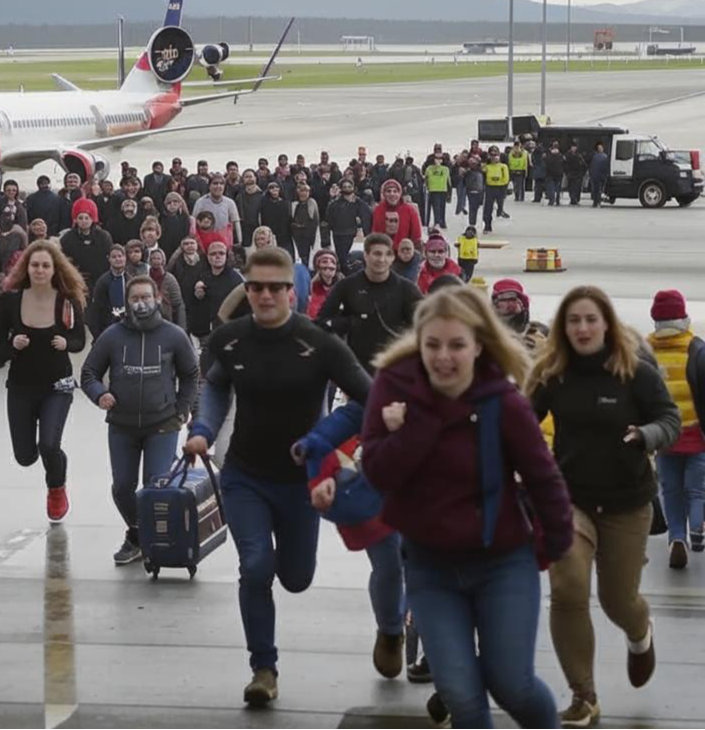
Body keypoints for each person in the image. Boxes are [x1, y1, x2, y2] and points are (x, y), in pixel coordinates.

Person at [362, 286, 573, 730]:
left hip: (503, 561)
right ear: (418, 344)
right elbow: (378, 473)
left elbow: (544, 477)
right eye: (432, 345)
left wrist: (548, 549)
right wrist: (420, 422)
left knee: (512, 683)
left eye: (457, 345)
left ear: (478, 345)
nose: (444, 358)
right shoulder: (394, 388)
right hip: (431, 567)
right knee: (460, 693)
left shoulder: (503, 401)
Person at [185, 247, 373, 708]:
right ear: (246, 290)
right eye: (256, 287)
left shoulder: (319, 343)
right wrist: (203, 430)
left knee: (295, 578)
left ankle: (268, 650)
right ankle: (263, 669)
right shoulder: (231, 339)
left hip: (300, 484)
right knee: (255, 567)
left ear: (293, 291)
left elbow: (368, 398)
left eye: (276, 288)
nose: (265, 295)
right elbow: (216, 385)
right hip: (244, 476)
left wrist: (337, 442)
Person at [528, 285, 681, 728]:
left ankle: (640, 632)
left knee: (619, 601)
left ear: (607, 324)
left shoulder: (635, 370)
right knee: (568, 586)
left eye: (590, 319)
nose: (582, 327)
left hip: (627, 502)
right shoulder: (552, 372)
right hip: (570, 498)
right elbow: (518, 418)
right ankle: (584, 696)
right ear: (563, 327)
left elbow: (669, 418)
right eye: (573, 320)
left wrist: (646, 436)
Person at [81, 275, 199, 563]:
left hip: (162, 423)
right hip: (122, 425)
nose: (141, 303)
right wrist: (99, 395)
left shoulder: (173, 335)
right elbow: (88, 374)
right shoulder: (112, 336)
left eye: (146, 297)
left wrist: (183, 408)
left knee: (154, 486)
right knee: (122, 487)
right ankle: (137, 531)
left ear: (157, 298)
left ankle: (150, 542)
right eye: (135, 298)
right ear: (127, 302)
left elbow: (191, 374)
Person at [0, 241, 86, 523]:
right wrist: (12, 345)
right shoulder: (10, 301)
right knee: (25, 456)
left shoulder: (67, 300)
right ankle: (50, 462)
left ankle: (56, 488)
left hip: (57, 386)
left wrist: (65, 343)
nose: (40, 270)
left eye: (46, 265)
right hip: (21, 387)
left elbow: (80, 340)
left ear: (55, 268)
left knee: (48, 445)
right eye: (35, 265)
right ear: (26, 268)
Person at [645, 289, 704, 568]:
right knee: (696, 490)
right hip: (697, 436)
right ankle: (697, 527)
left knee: (670, 490)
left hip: (664, 436)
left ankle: (676, 538)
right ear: (683, 315)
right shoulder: (697, 349)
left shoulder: (646, 350)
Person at [317, 233, 422, 374]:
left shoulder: (406, 289)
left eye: (387, 255)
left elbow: (423, 326)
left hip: (396, 366)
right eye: (377, 254)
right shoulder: (347, 286)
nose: (381, 259)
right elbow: (321, 322)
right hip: (358, 367)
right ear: (365, 255)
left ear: (392, 258)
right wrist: (350, 323)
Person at [187, 241, 243, 345]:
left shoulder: (235, 279)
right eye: (213, 254)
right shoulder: (203, 276)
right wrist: (197, 295)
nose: (217, 256)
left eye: (221, 253)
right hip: (204, 333)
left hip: (229, 332)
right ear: (207, 257)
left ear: (227, 256)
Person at [59, 198, 113, 294]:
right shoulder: (67, 238)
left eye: (87, 218)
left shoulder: (104, 236)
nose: (84, 221)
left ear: (93, 219)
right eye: (80, 218)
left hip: (100, 279)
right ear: (75, 219)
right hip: (77, 280)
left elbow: (108, 256)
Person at [327, 178, 371, 272]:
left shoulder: (358, 202)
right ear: (341, 188)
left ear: (353, 188)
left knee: (348, 258)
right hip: (338, 233)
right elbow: (329, 218)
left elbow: (366, 215)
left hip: (351, 233)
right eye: (345, 187)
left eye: (349, 186)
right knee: (341, 258)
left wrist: (366, 232)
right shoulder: (335, 203)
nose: (347, 189)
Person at [89, 245, 130, 339]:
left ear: (125, 258)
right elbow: (96, 310)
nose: (118, 259)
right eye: (114, 257)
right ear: (109, 259)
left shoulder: (130, 280)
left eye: (120, 256)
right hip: (108, 329)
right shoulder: (103, 282)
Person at [371, 180, 422, 251]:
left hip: (405, 253)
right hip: (384, 253)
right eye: (388, 191)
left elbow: (416, 235)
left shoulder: (410, 210)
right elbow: (374, 233)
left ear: (400, 193)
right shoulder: (378, 210)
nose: (392, 194)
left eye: (395, 191)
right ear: (384, 194)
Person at [193, 175, 242, 246]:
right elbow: (194, 223)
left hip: (224, 242)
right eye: (215, 183)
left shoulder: (230, 203)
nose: (218, 186)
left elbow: (236, 222)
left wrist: (240, 241)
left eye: (221, 183)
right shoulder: (200, 202)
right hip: (204, 242)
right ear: (209, 186)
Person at [147, 247, 186, 329]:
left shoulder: (170, 279)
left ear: (163, 260)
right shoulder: (145, 277)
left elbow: (177, 302)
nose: (156, 261)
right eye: (153, 258)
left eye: (158, 258)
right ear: (149, 261)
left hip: (166, 319)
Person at [289, 182, 321, 267]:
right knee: (301, 255)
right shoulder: (294, 204)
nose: (304, 193)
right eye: (302, 191)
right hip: (297, 234)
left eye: (306, 191)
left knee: (309, 254)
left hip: (309, 233)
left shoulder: (312, 203)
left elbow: (316, 219)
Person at [306, 248, 341, 320]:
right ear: (318, 267)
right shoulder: (310, 286)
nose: (329, 265)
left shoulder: (342, 286)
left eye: (333, 262)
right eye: (324, 261)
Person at [260, 181, 293, 255]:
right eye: (271, 188)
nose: (274, 189)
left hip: (285, 235)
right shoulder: (264, 203)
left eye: (277, 187)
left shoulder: (286, 203)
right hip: (270, 234)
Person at [482, 146, 511, 231]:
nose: (494, 157)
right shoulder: (487, 166)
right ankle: (487, 224)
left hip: (501, 188)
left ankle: (500, 211)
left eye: (496, 155)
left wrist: (500, 182)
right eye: (492, 155)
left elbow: (506, 178)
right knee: (488, 207)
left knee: (500, 203)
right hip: (490, 188)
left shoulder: (503, 166)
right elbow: (483, 174)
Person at [160, 192, 194, 259]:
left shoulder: (185, 219)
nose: (172, 204)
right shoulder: (161, 218)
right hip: (165, 250)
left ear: (180, 203)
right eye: (169, 203)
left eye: (175, 202)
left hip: (181, 250)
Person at [423, 152, 451, 229]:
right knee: (436, 206)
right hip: (433, 189)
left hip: (442, 189)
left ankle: (442, 222)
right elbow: (426, 179)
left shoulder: (445, 169)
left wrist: (449, 193)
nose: (438, 161)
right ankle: (437, 222)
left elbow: (448, 181)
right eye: (436, 159)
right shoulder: (429, 168)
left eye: (440, 159)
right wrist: (427, 188)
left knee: (442, 207)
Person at [589, 142, 610, 208]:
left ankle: (596, 202)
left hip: (597, 176)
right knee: (597, 190)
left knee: (596, 190)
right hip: (598, 176)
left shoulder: (595, 156)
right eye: (600, 148)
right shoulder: (604, 157)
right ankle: (597, 202)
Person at [545, 142, 565, 207]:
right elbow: (564, 164)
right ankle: (558, 201)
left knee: (551, 188)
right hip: (559, 174)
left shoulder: (549, 155)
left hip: (550, 174)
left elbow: (546, 164)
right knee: (558, 188)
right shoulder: (561, 156)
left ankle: (551, 200)